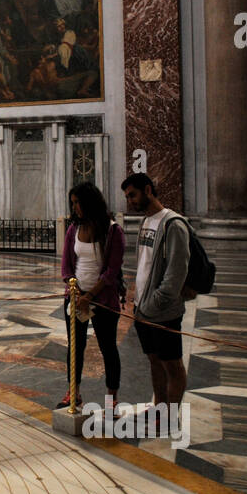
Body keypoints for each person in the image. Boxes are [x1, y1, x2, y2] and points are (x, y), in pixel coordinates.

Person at [122, 172, 190, 437]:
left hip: (163, 310)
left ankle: (172, 417)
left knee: (172, 364)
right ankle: (160, 407)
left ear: (148, 190)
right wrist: (138, 302)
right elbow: (144, 264)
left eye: (133, 195)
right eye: (128, 197)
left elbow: (175, 273)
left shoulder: (174, 224)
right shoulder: (146, 221)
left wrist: (155, 303)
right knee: (154, 360)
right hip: (143, 307)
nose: (130, 202)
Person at [60, 182, 126, 409]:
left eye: (78, 202)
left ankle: (112, 398)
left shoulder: (112, 231)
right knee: (74, 348)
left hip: (103, 299)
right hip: (76, 298)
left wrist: (91, 295)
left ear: (90, 202)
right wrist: (74, 290)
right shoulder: (73, 229)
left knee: (107, 348)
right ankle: (73, 393)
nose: (75, 207)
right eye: (73, 203)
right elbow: (66, 264)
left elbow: (112, 271)